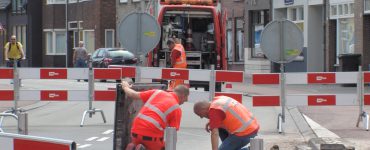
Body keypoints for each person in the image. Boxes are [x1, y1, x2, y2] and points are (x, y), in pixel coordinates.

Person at [121, 80, 189, 150]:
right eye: (186, 98)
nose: (185, 101)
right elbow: (172, 136)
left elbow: (133, 94)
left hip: (135, 131)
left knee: (140, 140)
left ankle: (133, 146)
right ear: (183, 96)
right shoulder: (176, 108)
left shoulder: (157, 92)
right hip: (151, 138)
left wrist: (125, 87)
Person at [193, 96, 259, 150]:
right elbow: (223, 114)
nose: (201, 117)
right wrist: (212, 122)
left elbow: (214, 134)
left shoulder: (214, 111)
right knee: (219, 128)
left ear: (203, 109)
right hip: (252, 126)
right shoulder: (218, 100)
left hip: (245, 133)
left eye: (200, 114)